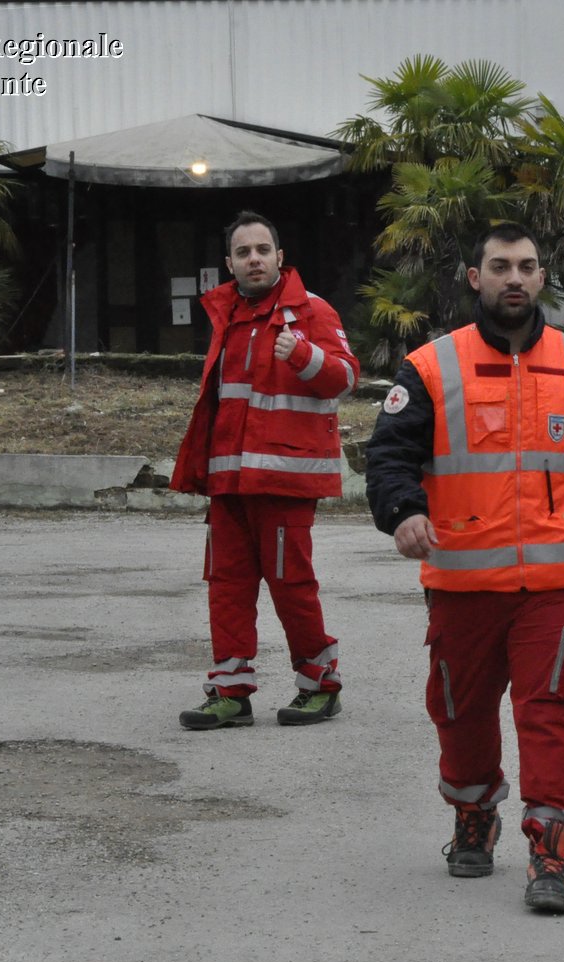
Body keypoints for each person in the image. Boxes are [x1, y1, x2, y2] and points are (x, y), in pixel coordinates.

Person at [365, 221, 564, 915]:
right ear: (474, 278)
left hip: (555, 585)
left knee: (547, 714)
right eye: (500, 265)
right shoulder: (431, 367)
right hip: (462, 587)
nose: (514, 277)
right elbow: (388, 456)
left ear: (543, 278)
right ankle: (473, 813)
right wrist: (403, 512)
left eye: (527, 266)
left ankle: (553, 852)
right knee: (460, 714)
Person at [170, 211, 360, 729]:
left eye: (262, 250)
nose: (253, 259)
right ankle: (230, 692)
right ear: (229, 264)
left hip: (284, 481)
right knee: (226, 586)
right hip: (228, 485)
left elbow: (346, 378)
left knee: (291, 586)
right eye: (242, 252)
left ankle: (322, 685)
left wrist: (301, 354)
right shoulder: (227, 314)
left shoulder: (311, 310)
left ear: (280, 257)